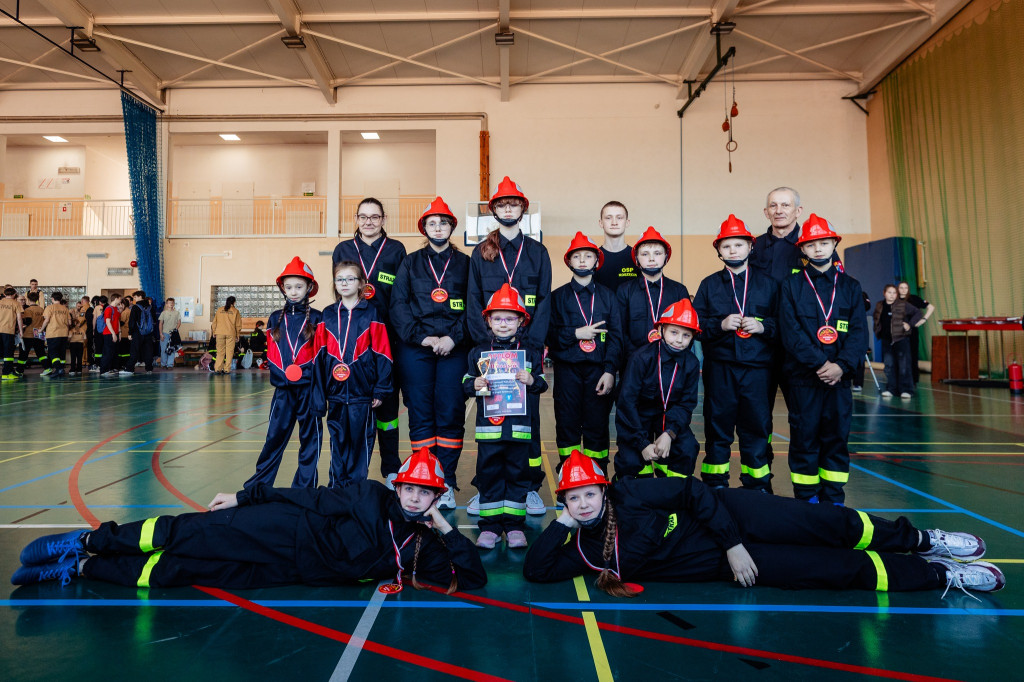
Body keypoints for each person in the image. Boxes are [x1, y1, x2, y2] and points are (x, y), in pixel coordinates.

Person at [523, 450, 1004, 598]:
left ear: (604, 489)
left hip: (734, 518)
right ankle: (939, 574)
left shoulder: (631, 491)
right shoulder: (584, 550)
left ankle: (920, 539)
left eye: (589, 494)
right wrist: (562, 523)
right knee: (832, 570)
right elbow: (536, 570)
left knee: (828, 523)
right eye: (573, 498)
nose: (583, 504)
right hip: (732, 565)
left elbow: (694, 492)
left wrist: (732, 542)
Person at [11, 449, 487, 593]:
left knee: (185, 569)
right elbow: (312, 497)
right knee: (185, 532)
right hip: (281, 526)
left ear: (435, 497)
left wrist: (444, 526)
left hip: (290, 571)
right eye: (409, 488)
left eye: (425, 493)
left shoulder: (425, 545)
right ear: (398, 486)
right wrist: (246, 496)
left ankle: (81, 568)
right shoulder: (370, 494)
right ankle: (88, 540)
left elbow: (473, 578)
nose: (414, 497)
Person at [467, 177, 552, 515]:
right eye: (502, 205)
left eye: (513, 204)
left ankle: (529, 488)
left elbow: (543, 302)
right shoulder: (481, 252)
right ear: (494, 210)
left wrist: (531, 346)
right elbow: (473, 300)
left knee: (528, 423)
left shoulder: (538, 252)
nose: (507, 209)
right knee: (490, 424)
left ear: (522, 209)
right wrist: (485, 344)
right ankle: (487, 489)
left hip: (526, 349)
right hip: (490, 350)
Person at [779, 214, 867, 505]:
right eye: (812, 244)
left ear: (834, 244)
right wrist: (820, 364)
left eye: (824, 243)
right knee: (804, 439)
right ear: (802, 249)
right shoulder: (791, 286)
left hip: (838, 381)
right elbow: (790, 332)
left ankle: (834, 501)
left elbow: (859, 333)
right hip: (804, 379)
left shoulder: (851, 286)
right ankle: (807, 500)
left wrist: (841, 366)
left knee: (836, 439)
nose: (818, 249)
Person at [391, 197, 471, 509]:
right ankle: (424, 480)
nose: (438, 228)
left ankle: (446, 482)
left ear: (452, 227)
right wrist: (422, 337)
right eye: (432, 223)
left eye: (443, 222)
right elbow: (398, 306)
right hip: (417, 348)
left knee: (450, 412)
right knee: (421, 412)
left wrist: (453, 337)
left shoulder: (466, 264)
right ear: (424, 228)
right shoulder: (410, 263)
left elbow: (475, 306)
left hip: (455, 348)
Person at [693, 215, 778, 492]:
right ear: (718, 250)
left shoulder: (769, 284)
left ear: (750, 247)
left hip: (758, 370)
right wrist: (719, 325)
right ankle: (715, 487)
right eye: (726, 246)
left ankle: (757, 488)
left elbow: (784, 324)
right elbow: (695, 325)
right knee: (717, 428)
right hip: (721, 369)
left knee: (756, 429)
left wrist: (763, 326)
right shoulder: (708, 285)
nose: (733, 250)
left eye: (739, 245)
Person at [463, 284, 548, 549]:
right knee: (489, 477)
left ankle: (514, 527)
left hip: (519, 430)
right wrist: (474, 384)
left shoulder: (530, 353)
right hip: (488, 431)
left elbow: (542, 383)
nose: (503, 324)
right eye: (497, 318)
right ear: (488, 320)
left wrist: (531, 380)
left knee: (517, 477)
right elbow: (465, 382)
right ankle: (489, 528)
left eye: (510, 318)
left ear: (521, 320)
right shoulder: (478, 353)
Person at [332, 197, 407, 488]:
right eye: (363, 217)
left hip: (387, 339)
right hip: (353, 342)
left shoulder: (396, 249)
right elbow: (339, 292)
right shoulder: (343, 249)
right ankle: (350, 471)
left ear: (383, 219)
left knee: (387, 409)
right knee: (355, 408)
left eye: (375, 217)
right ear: (356, 219)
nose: (369, 222)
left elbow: (401, 295)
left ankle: (391, 469)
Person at [312, 261, 393, 488]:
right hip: (335, 394)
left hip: (362, 394)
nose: (344, 283)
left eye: (350, 279)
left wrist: (380, 389)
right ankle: (337, 489)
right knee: (337, 443)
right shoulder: (327, 315)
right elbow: (318, 357)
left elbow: (383, 354)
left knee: (360, 444)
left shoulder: (371, 313)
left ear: (361, 284)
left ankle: (356, 490)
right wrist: (319, 396)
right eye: (340, 279)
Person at [246, 257, 324, 489]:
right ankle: (259, 487)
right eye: (288, 287)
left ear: (309, 287)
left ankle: (304, 489)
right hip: (283, 392)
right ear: (283, 288)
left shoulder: (318, 318)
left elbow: (321, 355)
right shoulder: (274, 318)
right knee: (274, 438)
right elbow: (272, 354)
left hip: (309, 391)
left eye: (299, 286)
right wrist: (284, 376)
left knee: (310, 441)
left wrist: (305, 375)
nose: (294, 292)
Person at [547, 232, 622, 472]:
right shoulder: (556, 298)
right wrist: (575, 334)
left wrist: (610, 371)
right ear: (568, 261)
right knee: (566, 425)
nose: (582, 261)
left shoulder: (609, 297)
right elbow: (548, 335)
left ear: (596, 261)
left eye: (588, 256)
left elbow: (616, 337)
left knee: (597, 426)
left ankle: (598, 476)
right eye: (576, 256)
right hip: (566, 372)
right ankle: (568, 475)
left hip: (598, 372)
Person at [614, 298, 701, 479]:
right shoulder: (641, 358)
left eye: (686, 335)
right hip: (638, 422)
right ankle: (638, 490)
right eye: (674, 332)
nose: (679, 340)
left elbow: (686, 404)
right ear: (661, 330)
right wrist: (642, 443)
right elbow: (627, 403)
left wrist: (670, 433)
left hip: (670, 420)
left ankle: (673, 492)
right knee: (630, 461)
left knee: (687, 448)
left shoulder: (692, 363)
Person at [615, 226, 690, 355]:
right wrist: (637, 358)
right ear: (637, 258)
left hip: (671, 360)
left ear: (666, 256)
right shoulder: (625, 290)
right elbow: (619, 331)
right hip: (634, 360)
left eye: (657, 253)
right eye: (645, 254)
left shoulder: (679, 290)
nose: (651, 259)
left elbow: (688, 330)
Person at [874, 284, 922, 399]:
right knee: (889, 366)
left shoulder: (903, 304)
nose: (892, 295)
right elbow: (877, 319)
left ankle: (906, 390)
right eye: (889, 292)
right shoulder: (879, 305)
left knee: (904, 366)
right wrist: (877, 331)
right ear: (884, 293)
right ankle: (891, 389)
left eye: (894, 293)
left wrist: (909, 324)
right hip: (886, 340)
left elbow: (918, 313)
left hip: (901, 339)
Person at [593, 201, 637, 292]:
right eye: (608, 218)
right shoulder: (593, 258)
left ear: (627, 222)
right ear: (601, 223)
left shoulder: (638, 257)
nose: (614, 223)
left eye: (619, 218)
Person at [897, 281, 935, 384]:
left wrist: (924, 320)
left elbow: (931, 307)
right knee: (899, 355)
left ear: (908, 289)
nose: (903, 290)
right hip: (899, 333)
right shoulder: (895, 300)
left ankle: (913, 380)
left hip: (912, 332)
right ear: (898, 289)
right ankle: (900, 379)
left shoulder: (914, 299)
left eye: (905, 288)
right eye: (901, 288)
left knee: (913, 355)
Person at [40, 292, 72, 378]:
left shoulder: (49, 307)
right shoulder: (65, 309)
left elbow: (46, 320)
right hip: (64, 333)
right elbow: (69, 322)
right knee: (61, 353)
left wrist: (41, 329)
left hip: (53, 333)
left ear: (52, 298)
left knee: (53, 352)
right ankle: (61, 369)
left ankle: (58, 369)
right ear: (61, 299)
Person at [126, 291, 156, 375]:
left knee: (134, 351)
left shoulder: (135, 307)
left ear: (140, 296)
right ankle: (149, 368)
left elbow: (132, 321)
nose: (134, 299)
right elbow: (154, 319)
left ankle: (130, 369)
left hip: (137, 332)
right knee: (148, 351)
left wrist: (130, 333)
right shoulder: (150, 307)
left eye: (135, 297)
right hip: (149, 333)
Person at [17, 291, 46, 375]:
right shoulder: (41, 309)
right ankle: (48, 367)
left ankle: (19, 371)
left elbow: (28, 321)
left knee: (23, 353)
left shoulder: (28, 310)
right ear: (37, 300)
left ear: (28, 300)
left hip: (29, 334)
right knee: (41, 353)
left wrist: (22, 327)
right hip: (39, 334)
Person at [211, 296, 242, 375]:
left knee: (220, 352)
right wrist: (237, 334)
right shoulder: (235, 311)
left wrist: (214, 331)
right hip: (231, 333)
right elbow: (238, 324)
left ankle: (218, 369)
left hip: (220, 333)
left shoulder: (219, 310)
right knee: (229, 352)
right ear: (234, 302)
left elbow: (214, 322)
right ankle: (226, 369)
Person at [0, 287, 24, 381]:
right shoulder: (16, 303)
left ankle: (8, 371)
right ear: (14, 295)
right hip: (8, 331)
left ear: (4, 294)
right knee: (8, 353)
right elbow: (19, 318)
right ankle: (6, 374)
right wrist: (21, 331)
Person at [158, 297, 182, 369]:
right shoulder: (163, 313)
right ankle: (163, 364)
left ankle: (170, 365)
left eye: (172, 303)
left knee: (172, 349)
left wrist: (175, 330)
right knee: (163, 349)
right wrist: (161, 334)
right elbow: (160, 323)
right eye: (169, 303)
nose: (171, 304)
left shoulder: (177, 313)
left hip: (173, 334)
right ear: (166, 304)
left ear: (174, 304)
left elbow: (179, 322)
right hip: (165, 333)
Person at [68, 296, 88, 376]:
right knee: (79, 357)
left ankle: (73, 369)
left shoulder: (72, 330)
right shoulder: (82, 330)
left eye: (80, 306)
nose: (79, 307)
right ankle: (79, 369)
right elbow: (85, 338)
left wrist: (68, 342)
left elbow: (69, 337)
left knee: (73, 357)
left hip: (73, 343)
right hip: (80, 343)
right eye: (78, 306)